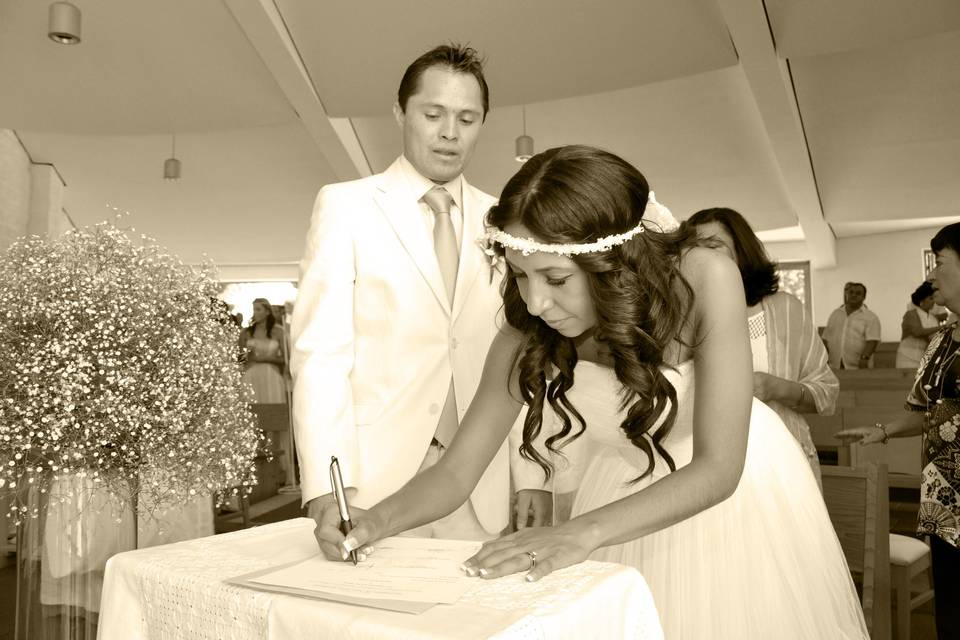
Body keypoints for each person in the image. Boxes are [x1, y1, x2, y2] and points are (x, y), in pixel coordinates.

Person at [325, 146, 867, 639]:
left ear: (613, 264)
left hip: (736, 500)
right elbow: (454, 473)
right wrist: (375, 520)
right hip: (619, 494)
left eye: (555, 280)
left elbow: (720, 469)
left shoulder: (705, 276)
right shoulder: (525, 334)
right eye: (519, 275)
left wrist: (579, 534)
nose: (534, 302)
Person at [289, 44, 547, 546]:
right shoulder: (346, 206)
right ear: (400, 112)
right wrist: (329, 484)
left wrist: (532, 472)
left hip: (480, 477)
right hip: (374, 481)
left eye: (467, 119)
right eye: (434, 114)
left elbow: (530, 352)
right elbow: (320, 354)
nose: (450, 133)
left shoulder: (506, 219)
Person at [837, 222, 960, 639]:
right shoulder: (943, 340)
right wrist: (881, 431)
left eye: (939, 263)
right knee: (952, 611)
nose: (930, 275)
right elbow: (929, 412)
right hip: (945, 502)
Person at [686, 207, 838, 486]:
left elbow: (826, 391)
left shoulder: (785, 309)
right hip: (703, 463)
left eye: (713, 245)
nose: (702, 257)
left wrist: (774, 387)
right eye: (693, 248)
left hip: (777, 464)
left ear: (741, 253)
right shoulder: (683, 315)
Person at [823, 282, 881, 369]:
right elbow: (826, 338)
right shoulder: (836, 314)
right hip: (834, 366)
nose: (854, 295)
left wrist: (864, 358)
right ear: (846, 294)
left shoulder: (870, 317)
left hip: (859, 367)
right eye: (851, 292)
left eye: (858, 293)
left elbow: (872, 341)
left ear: (864, 297)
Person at [239, 297, 286, 403]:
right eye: (254, 309)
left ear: (267, 312)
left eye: (258, 309)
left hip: (272, 376)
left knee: (272, 411)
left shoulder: (278, 331)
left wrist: (265, 358)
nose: (255, 313)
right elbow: (240, 359)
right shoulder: (246, 332)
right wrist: (247, 355)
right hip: (250, 376)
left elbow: (286, 359)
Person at [895, 281, 942, 369]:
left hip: (923, 357)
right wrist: (942, 327)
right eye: (930, 298)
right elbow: (917, 332)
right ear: (921, 301)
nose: (933, 302)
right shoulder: (911, 314)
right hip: (907, 356)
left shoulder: (933, 318)